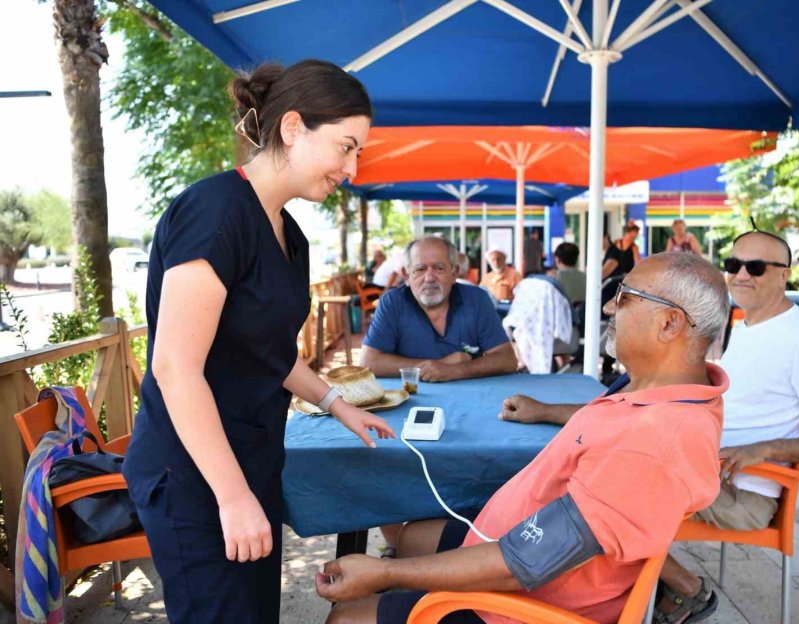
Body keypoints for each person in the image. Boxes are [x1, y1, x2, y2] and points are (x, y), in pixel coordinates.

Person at [316, 252, 732, 624]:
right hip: (522, 546)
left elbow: (519, 565)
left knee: (348, 617)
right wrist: (547, 411)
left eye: (624, 297)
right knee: (408, 539)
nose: (608, 305)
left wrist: (384, 573)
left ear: (669, 323)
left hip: (527, 603)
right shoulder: (663, 394)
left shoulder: (651, 444)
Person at [122, 60, 395, 624]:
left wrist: (337, 404)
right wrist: (231, 495)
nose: (353, 167)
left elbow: (266, 350)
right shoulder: (215, 212)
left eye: (358, 153)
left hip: (248, 461)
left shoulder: (288, 232)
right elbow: (175, 367)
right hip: (194, 476)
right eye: (346, 147)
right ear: (293, 127)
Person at [502, 233, 799, 624]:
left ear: (784, 275)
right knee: (593, 471)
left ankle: (672, 591)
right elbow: (646, 408)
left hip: (742, 489)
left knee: (606, 490)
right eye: (733, 264)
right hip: (699, 463)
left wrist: (763, 450)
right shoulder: (747, 324)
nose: (740, 274)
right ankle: (632, 589)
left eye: (755, 267)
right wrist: (550, 411)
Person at [360, 236, 518, 382]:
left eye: (439, 268)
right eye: (420, 269)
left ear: (454, 272)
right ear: (406, 276)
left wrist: (456, 370)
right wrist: (441, 364)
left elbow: (507, 360)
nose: (429, 278)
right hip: (411, 398)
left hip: (471, 396)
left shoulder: (476, 300)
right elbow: (368, 362)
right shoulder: (393, 302)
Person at [599, 222, 641, 384]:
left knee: (619, 324)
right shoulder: (615, 247)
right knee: (607, 322)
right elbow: (608, 266)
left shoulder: (634, 248)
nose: (634, 237)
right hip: (609, 288)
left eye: (636, 234)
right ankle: (606, 361)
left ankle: (609, 364)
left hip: (622, 290)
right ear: (627, 233)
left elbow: (638, 264)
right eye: (633, 233)